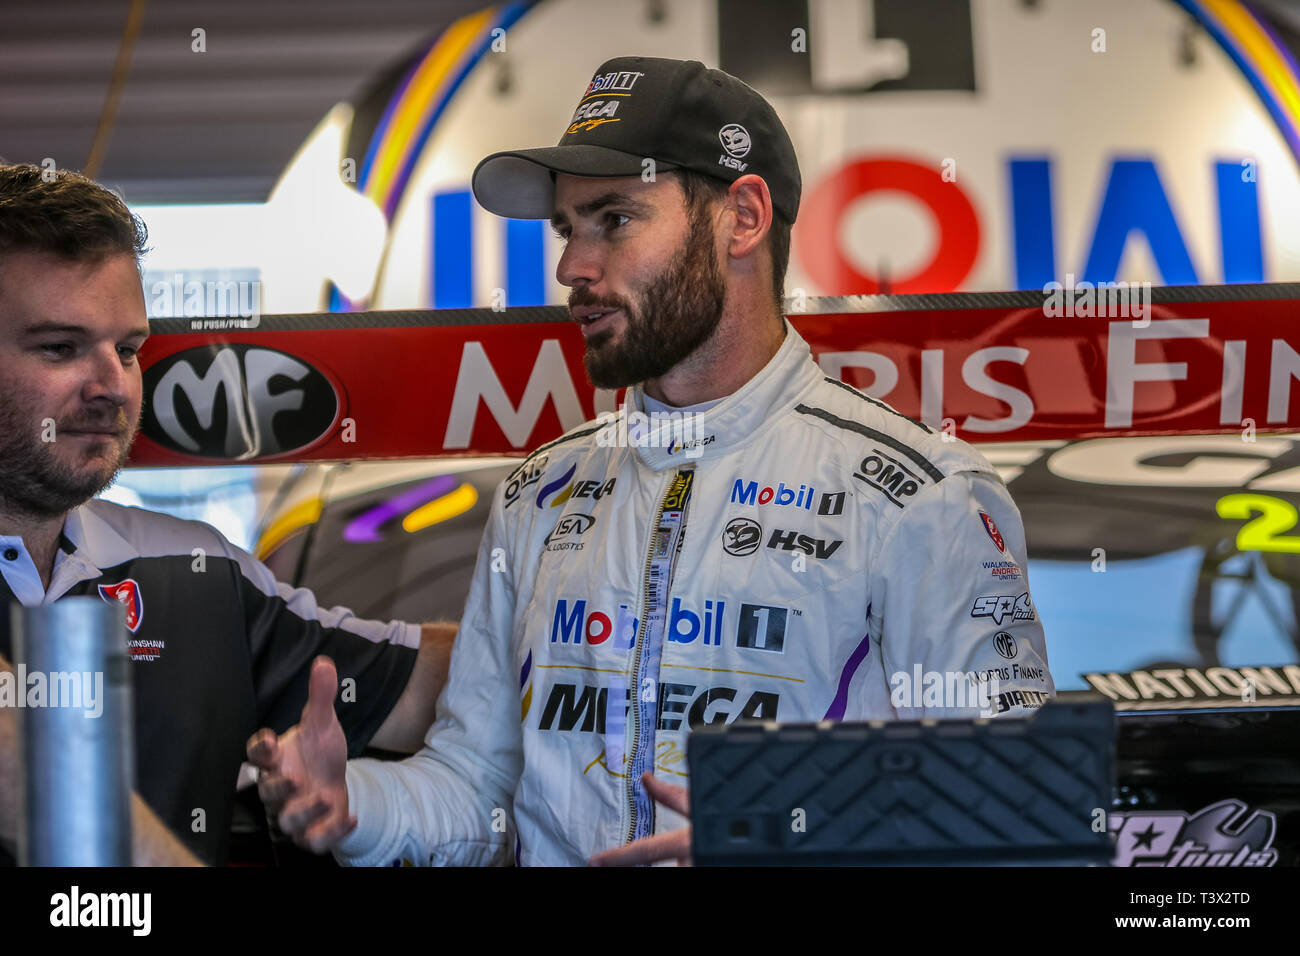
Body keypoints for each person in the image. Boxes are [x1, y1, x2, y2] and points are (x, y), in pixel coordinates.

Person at [251, 56, 1054, 867]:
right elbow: (475, 787)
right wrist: (358, 804)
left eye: (616, 219)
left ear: (742, 218)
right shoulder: (539, 496)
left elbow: (1024, 805)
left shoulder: (923, 495)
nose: (572, 267)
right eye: (569, 229)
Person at [0, 163, 457, 866]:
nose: (113, 388)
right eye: (60, 348)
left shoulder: (194, 572)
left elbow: (442, 687)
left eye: (127, 350)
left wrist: (627, 623)